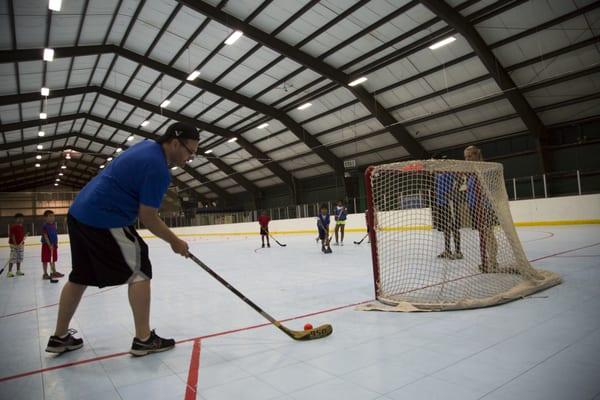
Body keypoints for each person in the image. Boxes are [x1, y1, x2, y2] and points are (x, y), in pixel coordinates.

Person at [45, 122, 198, 356]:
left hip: (79, 213)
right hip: (103, 216)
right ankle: (144, 338)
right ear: (175, 143)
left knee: (80, 275)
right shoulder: (158, 168)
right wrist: (175, 242)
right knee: (140, 269)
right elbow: (148, 216)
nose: (190, 157)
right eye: (190, 151)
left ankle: (59, 336)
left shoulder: (147, 146)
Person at [464, 145, 498, 273]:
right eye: (465, 157)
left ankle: (493, 261)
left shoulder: (485, 169)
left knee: (489, 234)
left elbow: (491, 188)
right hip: (474, 207)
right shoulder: (471, 172)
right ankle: (488, 260)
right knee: (484, 235)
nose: (467, 159)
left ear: (477, 155)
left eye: (470, 156)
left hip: (485, 207)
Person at [432, 172, 462, 259]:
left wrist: (453, 192)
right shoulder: (437, 175)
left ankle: (458, 251)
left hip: (450, 203)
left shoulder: (449, 172)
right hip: (440, 204)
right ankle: (447, 250)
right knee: (445, 228)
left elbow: (460, 179)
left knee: (454, 226)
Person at [41, 210, 64, 280]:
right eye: (50, 216)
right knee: (45, 259)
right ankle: (45, 273)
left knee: (52, 259)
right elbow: (45, 236)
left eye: (53, 216)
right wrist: (49, 245)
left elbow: (54, 235)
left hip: (53, 245)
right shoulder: (45, 226)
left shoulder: (53, 225)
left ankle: (54, 272)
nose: (52, 217)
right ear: (45, 217)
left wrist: (55, 244)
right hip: (46, 245)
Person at [7, 213, 26, 277]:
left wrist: (23, 241)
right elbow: (13, 236)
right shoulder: (13, 227)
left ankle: (18, 270)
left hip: (20, 245)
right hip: (14, 245)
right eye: (19, 218)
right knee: (13, 258)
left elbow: (22, 235)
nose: (20, 220)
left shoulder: (21, 226)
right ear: (15, 219)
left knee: (19, 258)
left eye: (22, 218)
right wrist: (15, 245)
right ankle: (9, 272)